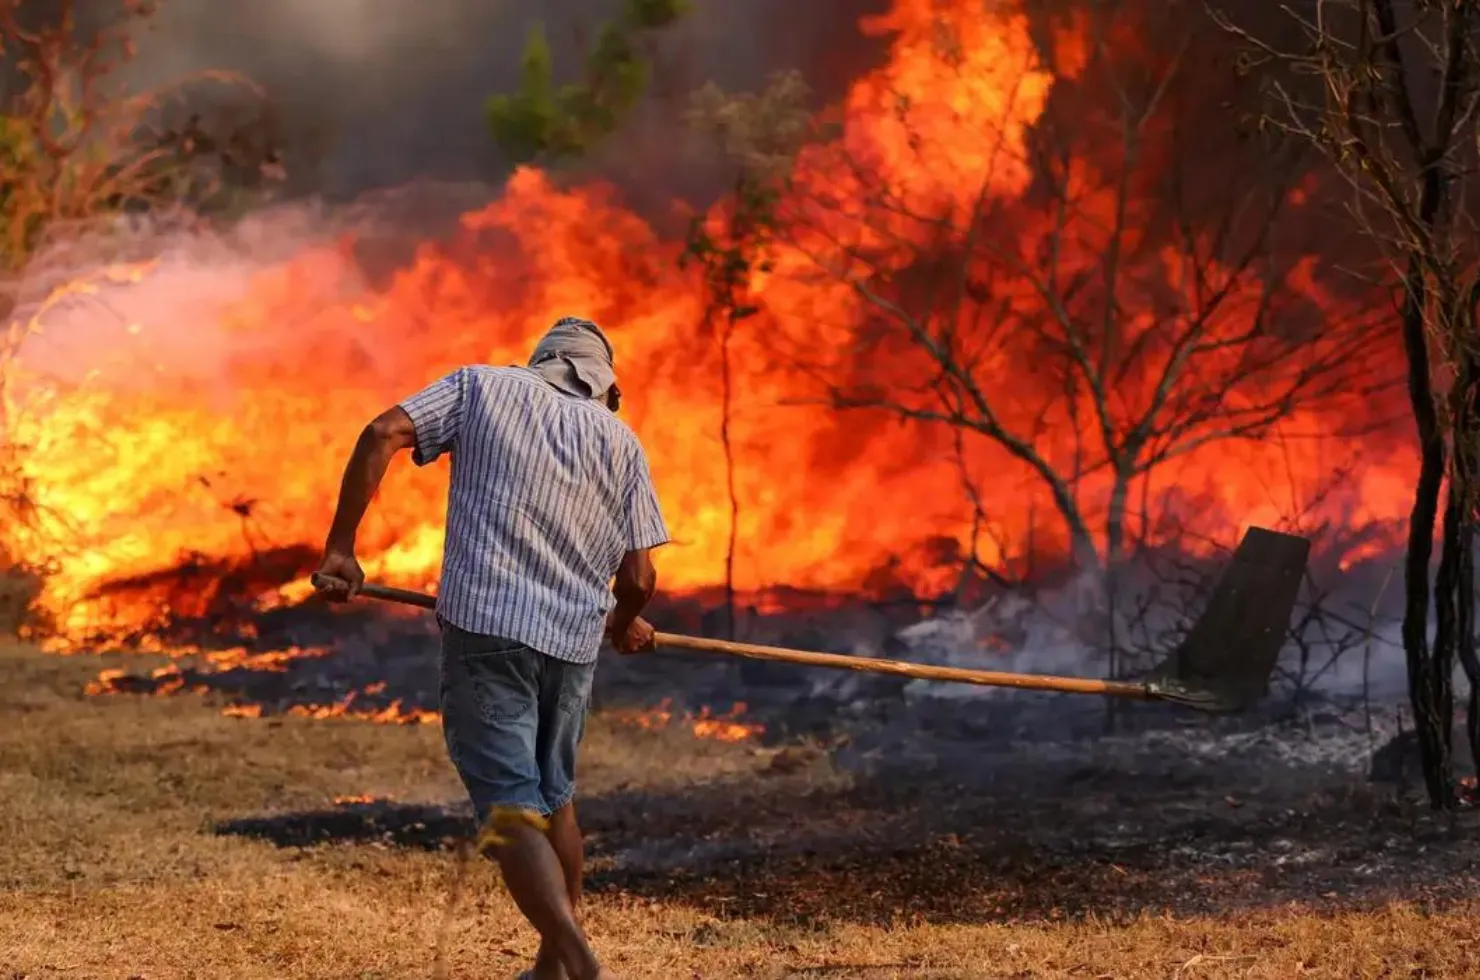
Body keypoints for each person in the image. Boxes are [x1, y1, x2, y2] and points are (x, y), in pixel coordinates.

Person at [313, 316, 668, 980]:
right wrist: (624, 621)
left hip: (488, 632)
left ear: (540, 362)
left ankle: (576, 957)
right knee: (554, 796)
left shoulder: (481, 388)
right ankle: (551, 970)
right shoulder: (621, 443)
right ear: (604, 386)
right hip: (569, 645)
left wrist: (341, 548)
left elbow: (382, 431)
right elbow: (641, 579)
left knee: (509, 802)